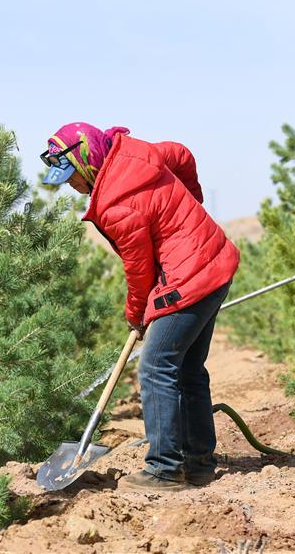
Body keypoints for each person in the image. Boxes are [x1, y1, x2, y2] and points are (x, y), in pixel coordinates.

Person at [40, 122, 240, 491]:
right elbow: (181, 154)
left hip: (191, 274)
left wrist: (136, 314)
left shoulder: (116, 205)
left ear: (87, 162)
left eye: (71, 177)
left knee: (155, 366)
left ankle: (164, 470)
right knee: (188, 368)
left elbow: (139, 269)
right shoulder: (132, 153)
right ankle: (198, 465)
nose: (71, 185)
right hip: (214, 258)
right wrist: (190, 210)